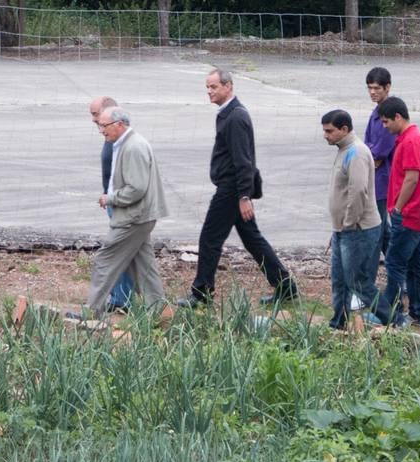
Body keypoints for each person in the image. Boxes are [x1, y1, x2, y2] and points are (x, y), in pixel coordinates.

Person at [180, 69, 298, 307]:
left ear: (228, 86)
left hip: (231, 189)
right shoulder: (228, 113)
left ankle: (201, 294)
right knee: (253, 239)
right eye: (208, 87)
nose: (209, 92)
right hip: (233, 188)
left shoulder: (235, 117)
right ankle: (286, 288)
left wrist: (244, 195)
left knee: (209, 239)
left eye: (214, 87)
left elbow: (243, 160)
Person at [79, 106, 167, 315]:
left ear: (119, 124)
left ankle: (92, 311)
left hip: (134, 217)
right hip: (141, 216)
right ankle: (159, 312)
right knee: (144, 266)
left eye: (104, 125)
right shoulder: (127, 143)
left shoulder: (133, 147)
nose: (101, 130)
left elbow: (136, 188)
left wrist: (111, 198)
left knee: (105, 259)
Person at [373, 96, 420, 327]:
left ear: (398, 117)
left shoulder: (410, 141)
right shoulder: (409, 138)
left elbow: (411, 177)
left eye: (387, 121)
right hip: (418, 212)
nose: (385, 126)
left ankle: (392, 312)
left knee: (395, 263)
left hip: (409, 213)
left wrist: (398, 207)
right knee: (416, 263)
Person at [321, 109, 382, 330]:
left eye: (329, 131)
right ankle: (338, 322)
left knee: (357, 282)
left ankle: (393, 319)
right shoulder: (344, 149)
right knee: (339, 280)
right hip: (343, 229)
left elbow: (358, 193)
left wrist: (348, 224)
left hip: (357, 229)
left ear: (344, 129)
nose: (325, 135)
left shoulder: (356, 152)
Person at [89, 96, 134, 309]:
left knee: (117, 252)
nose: (94, 120)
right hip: (113, 202)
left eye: (96, 115)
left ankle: (120, 300)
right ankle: (125, 297)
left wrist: (112, 198)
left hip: (119, 204)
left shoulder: (122, 143)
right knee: (130, 253)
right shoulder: (111, 140)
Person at [364, 67, 397, 262]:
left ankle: (400, 273)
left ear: (387, 87)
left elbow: (380, 151)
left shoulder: (389, 115)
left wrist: (370, 156)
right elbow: (367, 143)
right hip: (375, 178)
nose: (373, 92)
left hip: (383, 181)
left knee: (380, 227)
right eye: (370, 88)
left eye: (377, 88)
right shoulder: (376, 113)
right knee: (383, 228)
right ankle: (398, 272)